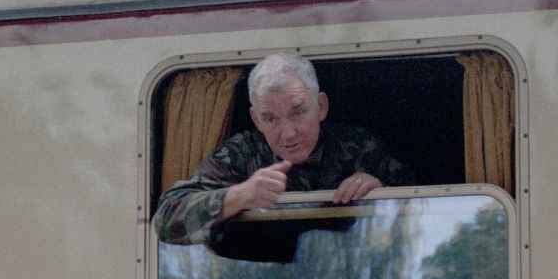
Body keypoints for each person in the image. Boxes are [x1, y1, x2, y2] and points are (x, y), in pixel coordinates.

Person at [154, 53, 412, 245]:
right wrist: (239, 196)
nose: (288, 133)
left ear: (321, 107)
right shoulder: (242, 154)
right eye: (271, 119)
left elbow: (418, 219)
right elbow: (166, 220)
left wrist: (381, 193)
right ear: (256, 119)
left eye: (298, 112)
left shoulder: (359, 148)